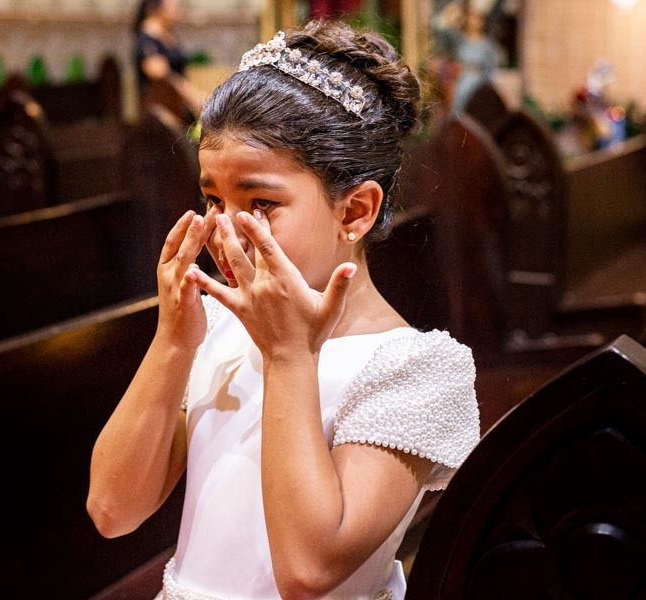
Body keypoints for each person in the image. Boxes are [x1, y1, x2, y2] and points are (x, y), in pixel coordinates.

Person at [88, 20, 480, 600]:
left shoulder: (416, 371)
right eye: (214, 199)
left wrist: (290, 353)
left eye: (261, 202)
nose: (225, 229)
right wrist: (172, 342)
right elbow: (112, 509)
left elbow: (307, 571)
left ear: (355, 211)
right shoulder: (219, 331)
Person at [133, 0, 204, 116]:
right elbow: (159, 73)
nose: (177, 10)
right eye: (173, 6)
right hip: (159, 110)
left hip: (177, 106)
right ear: (156, 8)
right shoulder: (146, 39)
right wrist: (191, 95)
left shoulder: (168, 34)